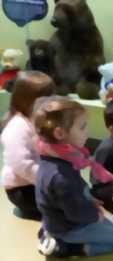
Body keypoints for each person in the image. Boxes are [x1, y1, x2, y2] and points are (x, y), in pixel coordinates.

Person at [33, 96, 113, 257]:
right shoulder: (60, 177)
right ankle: (65, 247)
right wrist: (94, 214)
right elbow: (76, 212)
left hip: (56, 216)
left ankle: (48, 231)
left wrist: (89, 200)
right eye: (82, 127)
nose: (87, 131)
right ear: (60, 133)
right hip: (68, 226)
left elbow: (76, 185)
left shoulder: (55, 155)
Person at [1, 71, 54, 220]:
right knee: (60, 206)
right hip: (22, 189)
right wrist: (47, 181)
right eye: (47, 99)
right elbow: (21, 164)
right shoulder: (17, 127)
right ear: (27, 100)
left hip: (40, 180)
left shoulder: (37, 118)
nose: (52, 103)